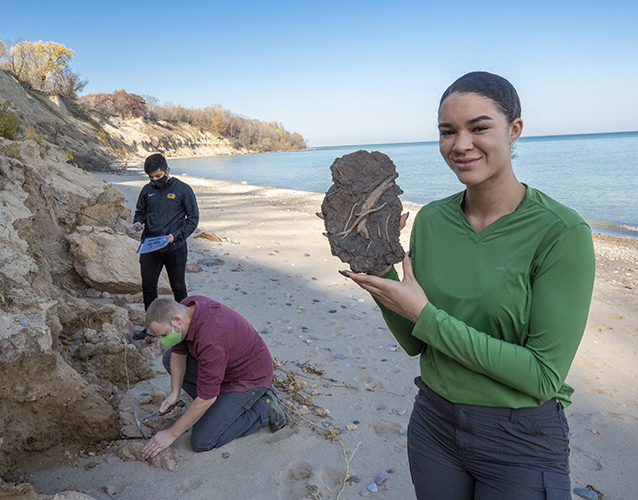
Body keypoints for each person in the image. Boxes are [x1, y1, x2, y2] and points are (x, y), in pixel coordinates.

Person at [338, 72, 596, 499]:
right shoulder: (433, 221)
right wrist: (376, 269)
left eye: (479, 128)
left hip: (521, 438)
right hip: (434, 424)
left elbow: (544, 376)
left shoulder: (561, 233)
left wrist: (425, 315)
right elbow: (416, 341)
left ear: (514, 130)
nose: (460, 144)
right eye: (447, 132)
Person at [141, 295, 288, 458]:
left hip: (249, 379)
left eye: (163, 335)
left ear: (176, 320)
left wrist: (170, 434)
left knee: (202, 441)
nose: (162, 341)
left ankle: (264, 409)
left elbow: (207, 397)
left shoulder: (211, 339)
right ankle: (221, 408)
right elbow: (178, 351)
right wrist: (174, 393)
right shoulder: (185, 308)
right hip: (225, 368)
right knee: (169, 358)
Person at [133, 153, 199, 340]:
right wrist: (138, 222)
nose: (155, 180)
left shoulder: (183, 190)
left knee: (178, 288)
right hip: (150, 248)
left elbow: (193, 220)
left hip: (175, 247)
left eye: (158, 176)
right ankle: (151, 329)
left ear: (167, 170)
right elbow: (140, 213)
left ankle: (187, 328)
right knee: (148, 288)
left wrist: (176, 236)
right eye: (151, 177)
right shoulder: (147, 191)